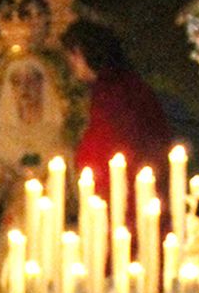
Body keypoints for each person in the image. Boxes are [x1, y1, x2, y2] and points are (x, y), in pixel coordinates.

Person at [63, 20, 174, 197]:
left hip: (130, 191)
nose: (70, 64)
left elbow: (109, 144)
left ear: (79, 52)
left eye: (71, 55)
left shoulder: (114, 92)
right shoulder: (120, 85)